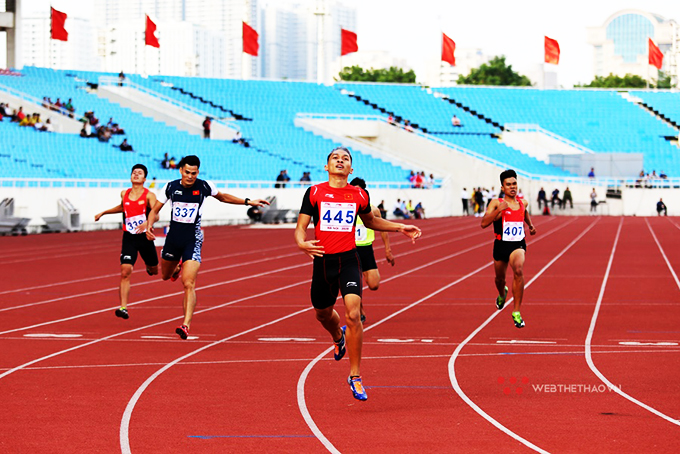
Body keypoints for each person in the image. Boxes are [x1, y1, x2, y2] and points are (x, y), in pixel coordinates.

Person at [295, 147, 421, 401]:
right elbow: (301, 226)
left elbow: (371, 222)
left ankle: (355, 375)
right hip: (322, 261)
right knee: (322, 312)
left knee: (353, 313)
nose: (340, 161)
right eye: (335, 158)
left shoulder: (359, 195)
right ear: (326, 166)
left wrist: (400, 227)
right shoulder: (315, 192)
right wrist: (301, 242)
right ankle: (337, 336)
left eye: (346, 159)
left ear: (351, 169)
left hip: (348, 259)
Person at [145, 155, 269, 339]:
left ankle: (185, 324)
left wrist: (247, 201)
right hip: (173, 239)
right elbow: (155, 210)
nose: (190, 176)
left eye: (194, 173)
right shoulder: (170, 187)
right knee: (165, 276)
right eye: (187, 172)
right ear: (181, 170)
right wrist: (149, 225)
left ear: (198, 172)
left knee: (188, 283)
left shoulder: (204, 186)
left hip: (192, 239)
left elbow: (223, 197)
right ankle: (177, 267)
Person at [94, 164, 159, 320]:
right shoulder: (124, 193)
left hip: (144, 237)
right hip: (129, 237)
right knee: (125, 272)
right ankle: (123, 307)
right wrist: (104, 212)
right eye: (134, 173)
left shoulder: (149, 196)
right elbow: (123, 207)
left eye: (139, 173)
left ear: (144, 178)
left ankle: (150, 268)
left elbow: (156, 214)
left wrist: (147, 224)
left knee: (155, 269)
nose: (136, 175)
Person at [481, 169, 536, 329]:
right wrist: (499, 210)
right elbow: (484, 223)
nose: (512, 187)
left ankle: (516, 311)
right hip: (500, 245)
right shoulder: (496, 203)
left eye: (514, 184)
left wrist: (531, 226)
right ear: (502, 187)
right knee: (499, 279)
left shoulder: (523, 202)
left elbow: (524, 213)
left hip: (517, 244)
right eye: (508, 184)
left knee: (518, 270)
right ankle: (501, 293)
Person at [349, 178, 396, 324]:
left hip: (366, 249)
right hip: (349, 250)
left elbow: (382, 229)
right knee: (354, 282)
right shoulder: (346, 207)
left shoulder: (372, 209)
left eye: (358, 190)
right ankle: (359, 311)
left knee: (374, 284)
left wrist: (387, 250)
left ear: (364, 191)